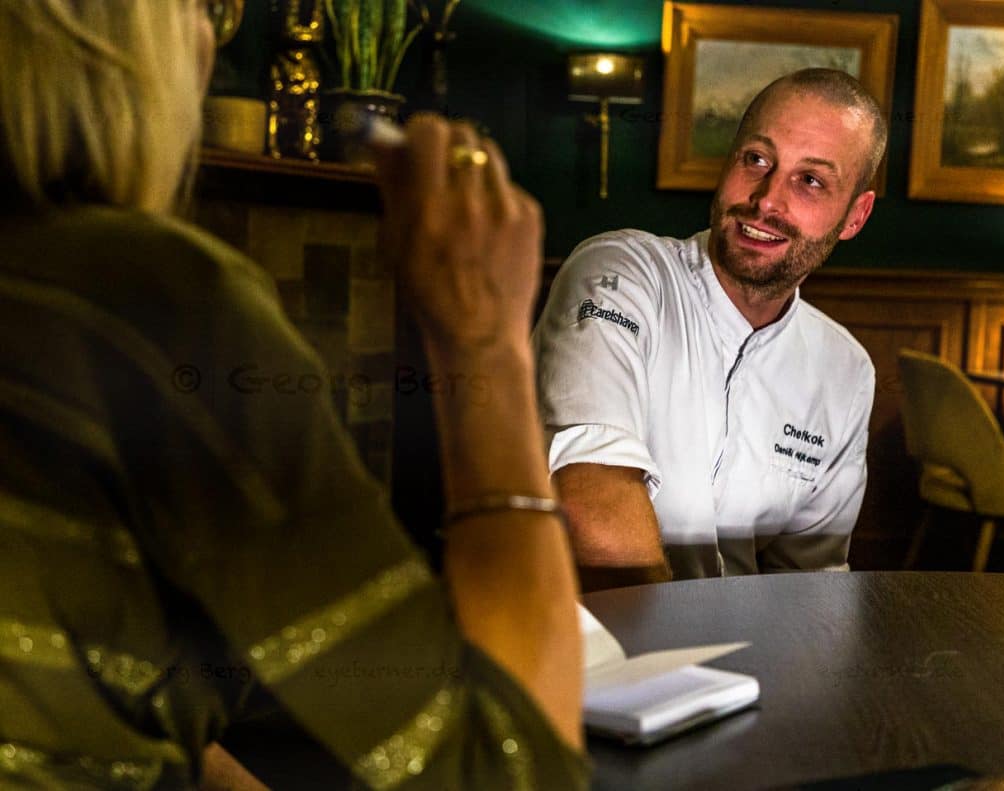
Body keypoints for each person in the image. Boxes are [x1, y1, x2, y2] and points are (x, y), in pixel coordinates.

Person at [0, 1, 586, 788]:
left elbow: (106, 689)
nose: (208, 37)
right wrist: (484, 339)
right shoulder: (153, 304)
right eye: (195, 7)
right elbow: (510, 775)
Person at [534, 69, 883, 590]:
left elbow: (810, 581)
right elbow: (592, 503)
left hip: (745, 656)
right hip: (580, 640)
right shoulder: (618, 273)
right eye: (757, 160)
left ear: (855, 217)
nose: (766, 200)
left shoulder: (845, 370)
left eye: (810, 181)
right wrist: (687, 662)